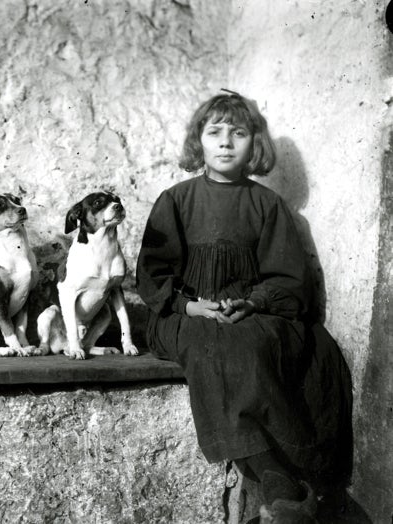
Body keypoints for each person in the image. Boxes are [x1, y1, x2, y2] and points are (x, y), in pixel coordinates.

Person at [136, 91, 352, 521]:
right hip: (184, 313)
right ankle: (277, 479)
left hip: (247, 311)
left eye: (238, 133)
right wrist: (190, 307)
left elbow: (289, 280)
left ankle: (296, 477)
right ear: (199, 141)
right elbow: (152, 277)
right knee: (208, 343)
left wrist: (252, 303)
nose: (226, 142)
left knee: (274, 346)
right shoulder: (176, 201)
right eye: (214, 132)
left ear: (255, 144)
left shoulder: (267, 205)